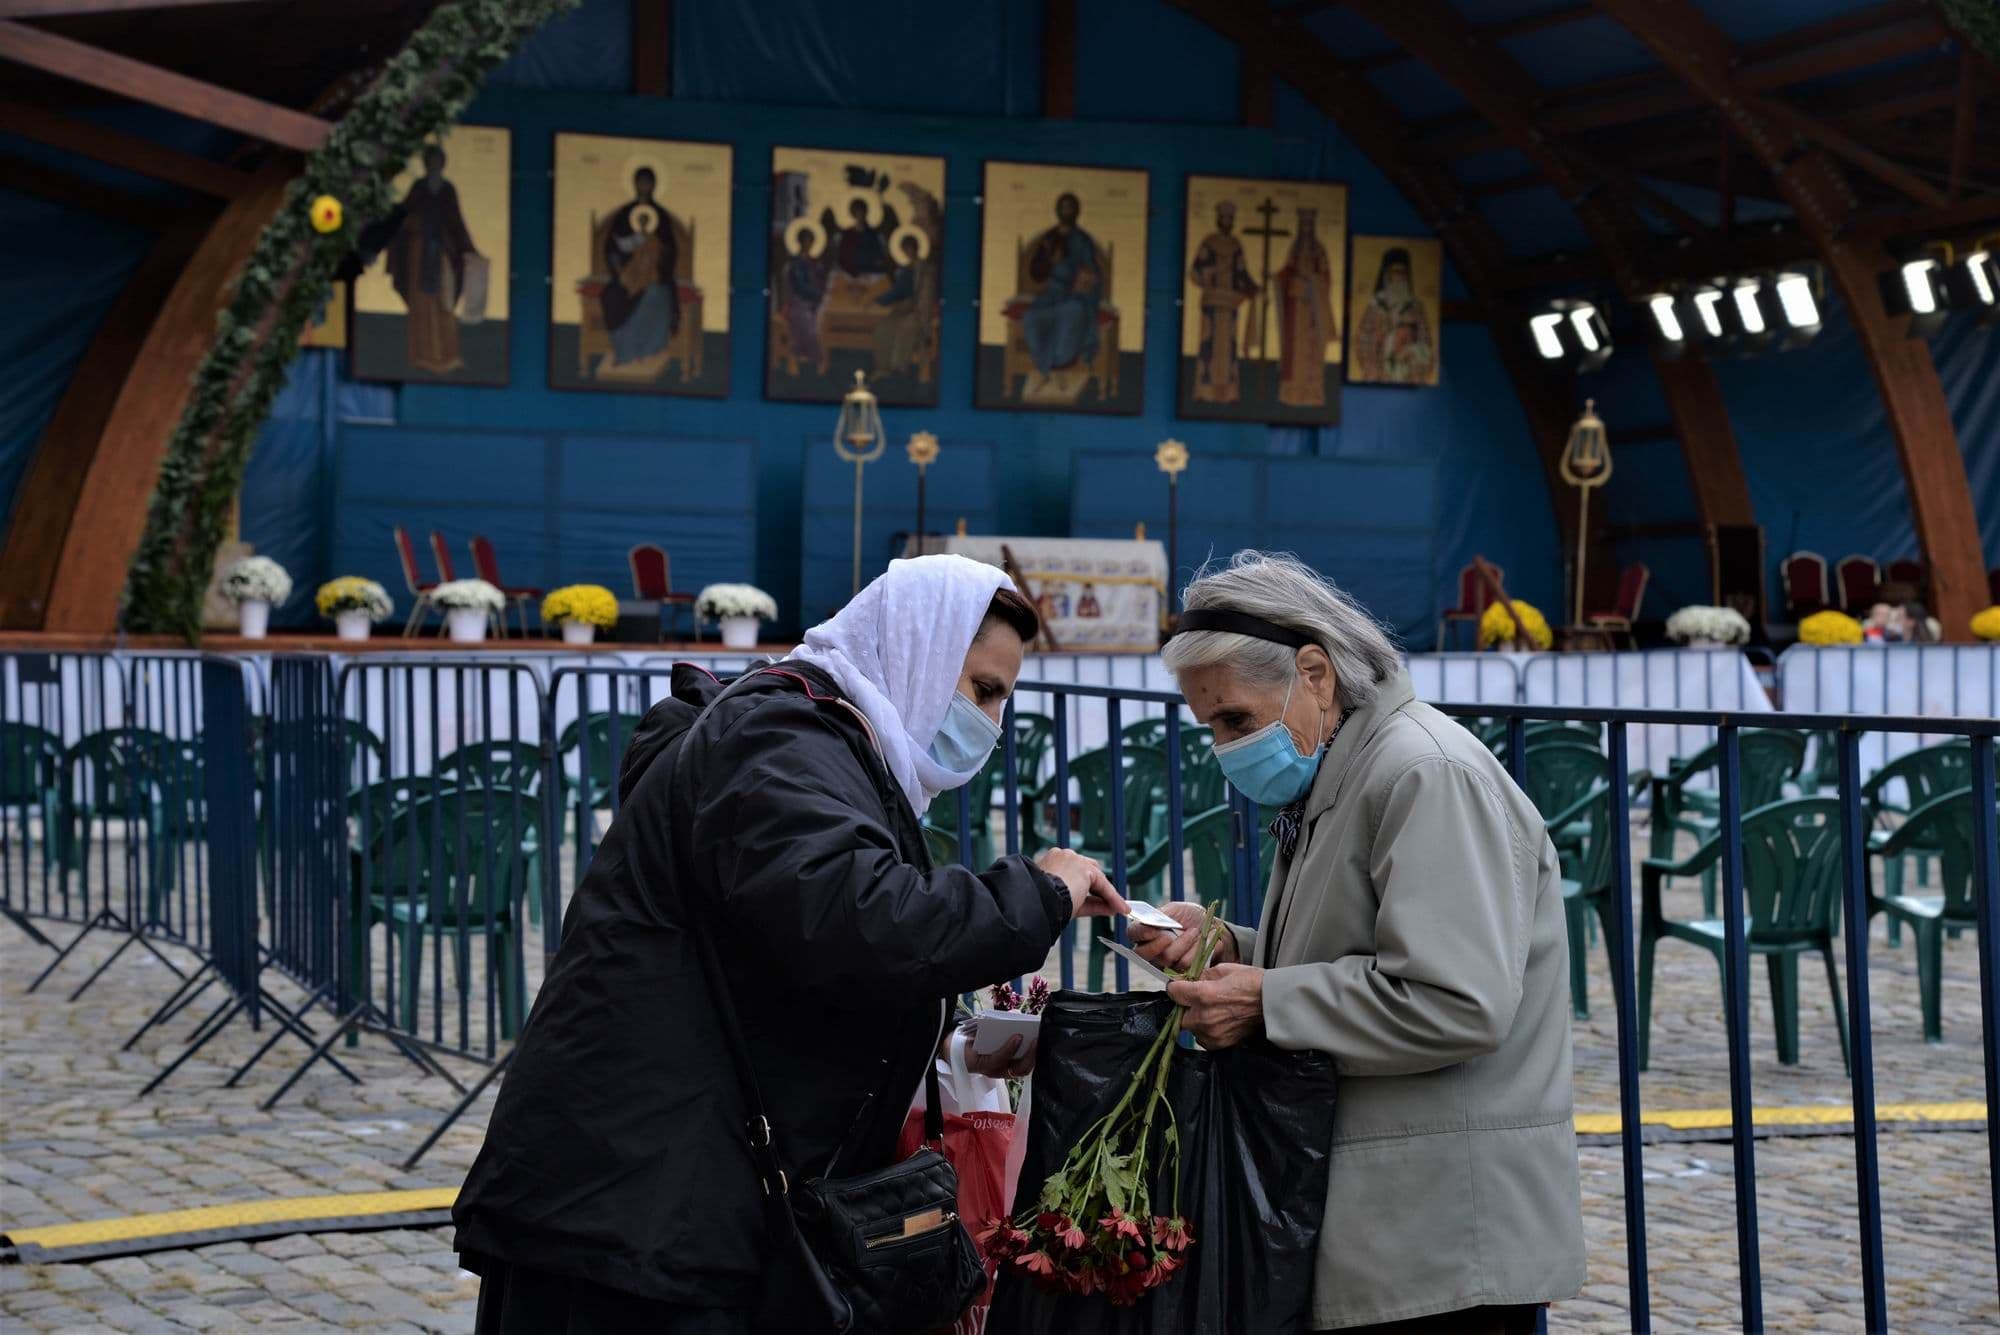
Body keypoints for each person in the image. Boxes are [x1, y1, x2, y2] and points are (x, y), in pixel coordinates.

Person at [452, 555, 1126, 1333]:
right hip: (634, 1209)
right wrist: (1035, 894)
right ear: (917, 651)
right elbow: (860, 921)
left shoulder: (825, 744)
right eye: (981, 689)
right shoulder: (783, 735)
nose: (990, 722)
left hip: (665, 1197)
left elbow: (798, 947)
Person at [1131, 551, 1586, 1334]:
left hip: (1443, 1246)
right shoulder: (1343, 768)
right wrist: (1233, 946)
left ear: (1315, 673)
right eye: (1209, 725)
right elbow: (1359, 945)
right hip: (1390, 1225)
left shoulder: (1423, 773)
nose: (1224, 746)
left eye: (1235, 718)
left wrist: (1266, 1000)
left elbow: (1454, 999)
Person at [385, 143, 477, 375]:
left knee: (444, 302)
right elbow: (403, 217)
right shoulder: (418, 188)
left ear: (442, 164)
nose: (434, 165)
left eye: (438, 161)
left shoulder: (448, 190)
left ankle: (448, 355)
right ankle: (421, 355)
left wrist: (469, 250)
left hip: (443, 253)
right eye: (430, 161)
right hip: (419, 251)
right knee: (421, 304)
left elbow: (457, 222)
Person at [1021, 192, 1105, 394]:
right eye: (1063, 207)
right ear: (1057, 211)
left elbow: (1092, 272)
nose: (1066, 211)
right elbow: (1036, 272)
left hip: (1075, 296)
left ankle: (1056, 366)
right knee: (1032, 317)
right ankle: (1047, 369)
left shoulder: (1083, 240)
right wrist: (1051, 261)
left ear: (1077, 212)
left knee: (1070, 313)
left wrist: (1084, 281)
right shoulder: (1049, 238)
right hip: (1052, 293)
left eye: (1070, 207)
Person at [600, 167, 680, 375]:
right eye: (640, 182)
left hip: (655, 276)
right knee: (610, 296)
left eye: (648, 182)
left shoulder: (660, 217)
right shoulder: (625, 214)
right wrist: (620, 271)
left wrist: (656, 257)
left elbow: (671, 250)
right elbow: (611, 247)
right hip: (627, 276)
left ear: (654, 185)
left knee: (655, 295)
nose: (644, 186)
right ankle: (624, 352)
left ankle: (647, 351)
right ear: (634, 184)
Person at [1189, 200, 1258, 404]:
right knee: (1209, 345)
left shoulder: (1236, 246)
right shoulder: (1208, 243)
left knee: (1229, 347)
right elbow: (1195, 271)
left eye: (1230, 219)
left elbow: (1242, 273)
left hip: (1229, 304)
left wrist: (1253, 287)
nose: (1227, 222)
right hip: (1212, 302)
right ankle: (1205, 391)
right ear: (1218, 220)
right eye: (1224, 218)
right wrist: (1208, 275)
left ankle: (1228, 392)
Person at [1275, 208, 1336, 406]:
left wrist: (1310, 284)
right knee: (1293, 351)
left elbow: (1326, 279)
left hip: (1313, 311)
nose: (1306, 229)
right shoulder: (1295, 248)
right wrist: (1278, 277)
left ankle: (1311, 393)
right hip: (1295, 310)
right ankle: (1291, 394)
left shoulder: (1319, 250)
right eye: (1303, 225)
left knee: (1311, 352)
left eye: (1309, 224)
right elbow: (1288, 270)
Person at [1352, 246, 1435, 385]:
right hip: (1380, 371)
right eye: (1395, 272)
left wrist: (1412, 351)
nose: (1400, 277)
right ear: (1387, 274)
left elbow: (1425, 341)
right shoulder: (1376, 305)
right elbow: (1362, 339)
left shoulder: (1415, 307)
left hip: (1408, 371)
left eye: (1403, 272)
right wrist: (1371, 365)